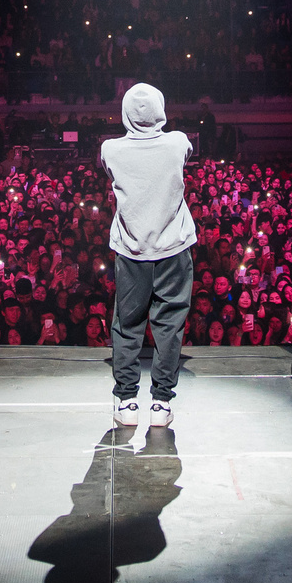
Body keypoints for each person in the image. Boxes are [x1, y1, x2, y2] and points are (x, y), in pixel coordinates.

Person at [101, 83, 196, 429]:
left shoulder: (111, 149)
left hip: (131, 250)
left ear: (126, 112)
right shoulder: (177, 143)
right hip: (173, 248)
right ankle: (160, 403)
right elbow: (182, 154)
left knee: (128, 325)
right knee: (168, 325)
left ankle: (127, 400)